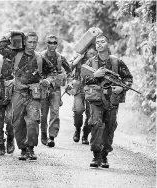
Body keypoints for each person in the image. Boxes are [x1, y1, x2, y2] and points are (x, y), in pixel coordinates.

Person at [0, 31, 56, 160]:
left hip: (34, 94)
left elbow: (52, 71)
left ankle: (31, 148)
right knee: (17, 122)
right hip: (18, 93)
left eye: (35, 42)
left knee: (33, 121)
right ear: (24, 42)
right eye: (29, 42)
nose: (32, 45)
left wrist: (48, 80)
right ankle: (23, 149)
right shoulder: (15, 55)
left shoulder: (40, 58)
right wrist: (10, 34)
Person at [82, 35, 133, 168]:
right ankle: (96, 156)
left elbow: (128, 79)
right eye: (97, 42)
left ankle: (104, 155)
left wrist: (121, 88)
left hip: (111, 100)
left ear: (108, 44)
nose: (99, 44)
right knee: (96, 125)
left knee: (109, 127)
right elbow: (82, 80)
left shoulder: (116, 62)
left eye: (102, 42)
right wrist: (94, 75)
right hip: (95, 100)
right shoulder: (90, 62)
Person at [40, 35, 72, 147]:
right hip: (42, 89)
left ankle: (51, 136)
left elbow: (69, 71)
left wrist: (69, 83)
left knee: (55, 112)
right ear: (46, 43)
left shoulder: (60, 58)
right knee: (43, 114)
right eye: (50, 42)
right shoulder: (40, 56)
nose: (52, 45)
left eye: (55, 43)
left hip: (56, 89)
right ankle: (43, 133)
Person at [69, 44, 97, 144]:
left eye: (94, 53)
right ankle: (77, 129)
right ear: (86, 52)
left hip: (92, 89)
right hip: (79, 88)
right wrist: (79, 57)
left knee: (91, 114)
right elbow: (69, 67)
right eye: (90, 53)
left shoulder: (97, 61)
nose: (92, 55)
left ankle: (85, 135)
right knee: (78, 110)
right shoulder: (79, 58)